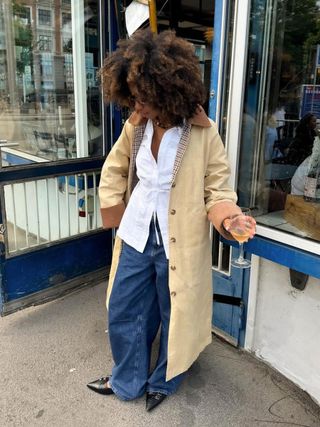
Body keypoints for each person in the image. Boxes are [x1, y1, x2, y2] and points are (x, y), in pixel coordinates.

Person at [87, 29, 256, 411]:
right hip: (136, 231)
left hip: (178, 236)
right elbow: (116, 167)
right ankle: (126, 380)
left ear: (168, 91)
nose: (138, 105)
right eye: (134, 97)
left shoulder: (202, 133)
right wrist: (113, 206)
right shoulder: (137, 124)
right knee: (124, 306)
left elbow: (218, 188)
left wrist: (229, 218)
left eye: (144, 98)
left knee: (174, 312)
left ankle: (165, 378)